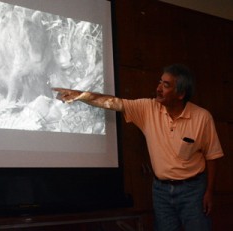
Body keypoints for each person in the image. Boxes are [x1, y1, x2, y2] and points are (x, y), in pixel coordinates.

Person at [53, 64, 224, 231]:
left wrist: (209, 192)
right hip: (161, 190)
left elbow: (212, 156)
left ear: (180, 94)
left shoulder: (202, 117)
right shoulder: (147, 108)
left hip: (193, 191)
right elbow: (113, 102)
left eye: (166, 85)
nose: (158, 88)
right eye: (159, 82)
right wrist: (80, 95)